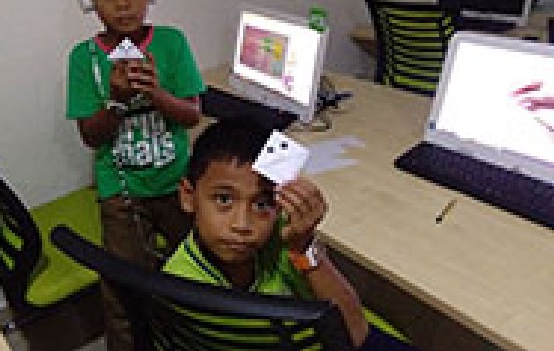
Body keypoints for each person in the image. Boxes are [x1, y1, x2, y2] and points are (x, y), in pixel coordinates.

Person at [164, 117, 414, 350]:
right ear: (188, 196)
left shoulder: (284, 238)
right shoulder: (181, 286)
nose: (242, 224)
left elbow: (355, 332)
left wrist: (304, 248)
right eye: (224, 199)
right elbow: (356, 334)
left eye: (262, 204)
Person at [66, 0, 204, 351]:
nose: (123, 4)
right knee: (123, 287)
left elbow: (192, 114)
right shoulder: (84, 59)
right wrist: (117, 101)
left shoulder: (172, 42)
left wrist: (156, 94)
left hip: (178, 182)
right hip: (122, 191)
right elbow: (91, 136)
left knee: (200, 270)